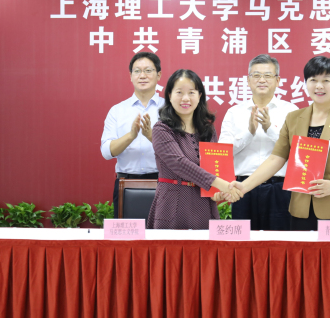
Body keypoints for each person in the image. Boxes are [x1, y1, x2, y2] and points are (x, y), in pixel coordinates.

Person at [225, 56, 330, 230]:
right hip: (301, 210)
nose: (319, 86)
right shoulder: (294, 118)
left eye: (326, 80)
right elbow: (276, 159)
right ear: (305, 83)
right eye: (313, 80)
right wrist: (244, 186)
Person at [219, 54, 298, 230]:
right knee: (243, 244)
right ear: (248, 80)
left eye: (268, 75)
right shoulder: (234, 112)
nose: (262, 80)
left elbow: (297, 151)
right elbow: (223, 153)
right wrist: (249, 132)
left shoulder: (291, 111)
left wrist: (269, 128)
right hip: (242, 189)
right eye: (256, 75)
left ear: (278, 81)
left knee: (279, 242)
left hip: (279, 189)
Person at [146, 69, 232, 230]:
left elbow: (214, 169)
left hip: (204, 205)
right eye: (179, 92)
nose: (185, 98)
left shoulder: (208, 130)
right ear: (169, 95)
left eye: (191, 92)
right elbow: (179, 164)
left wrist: (217, 192)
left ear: (199, 96)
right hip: (173, 204)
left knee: (206, 246)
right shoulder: (161, 129)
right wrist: (221, 184)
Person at [101, 52, 163, 218]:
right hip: (125, 184)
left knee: (163, 233)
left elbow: (180, 150)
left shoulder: (170, 109)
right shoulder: (117, 110)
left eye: (148, 70)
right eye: (137, 71)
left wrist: (151, 136)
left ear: (158, 75)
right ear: (130, 76)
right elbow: (106, 152)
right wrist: (131, 136)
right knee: (126, 234)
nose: (142, 75)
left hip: (164, 183)